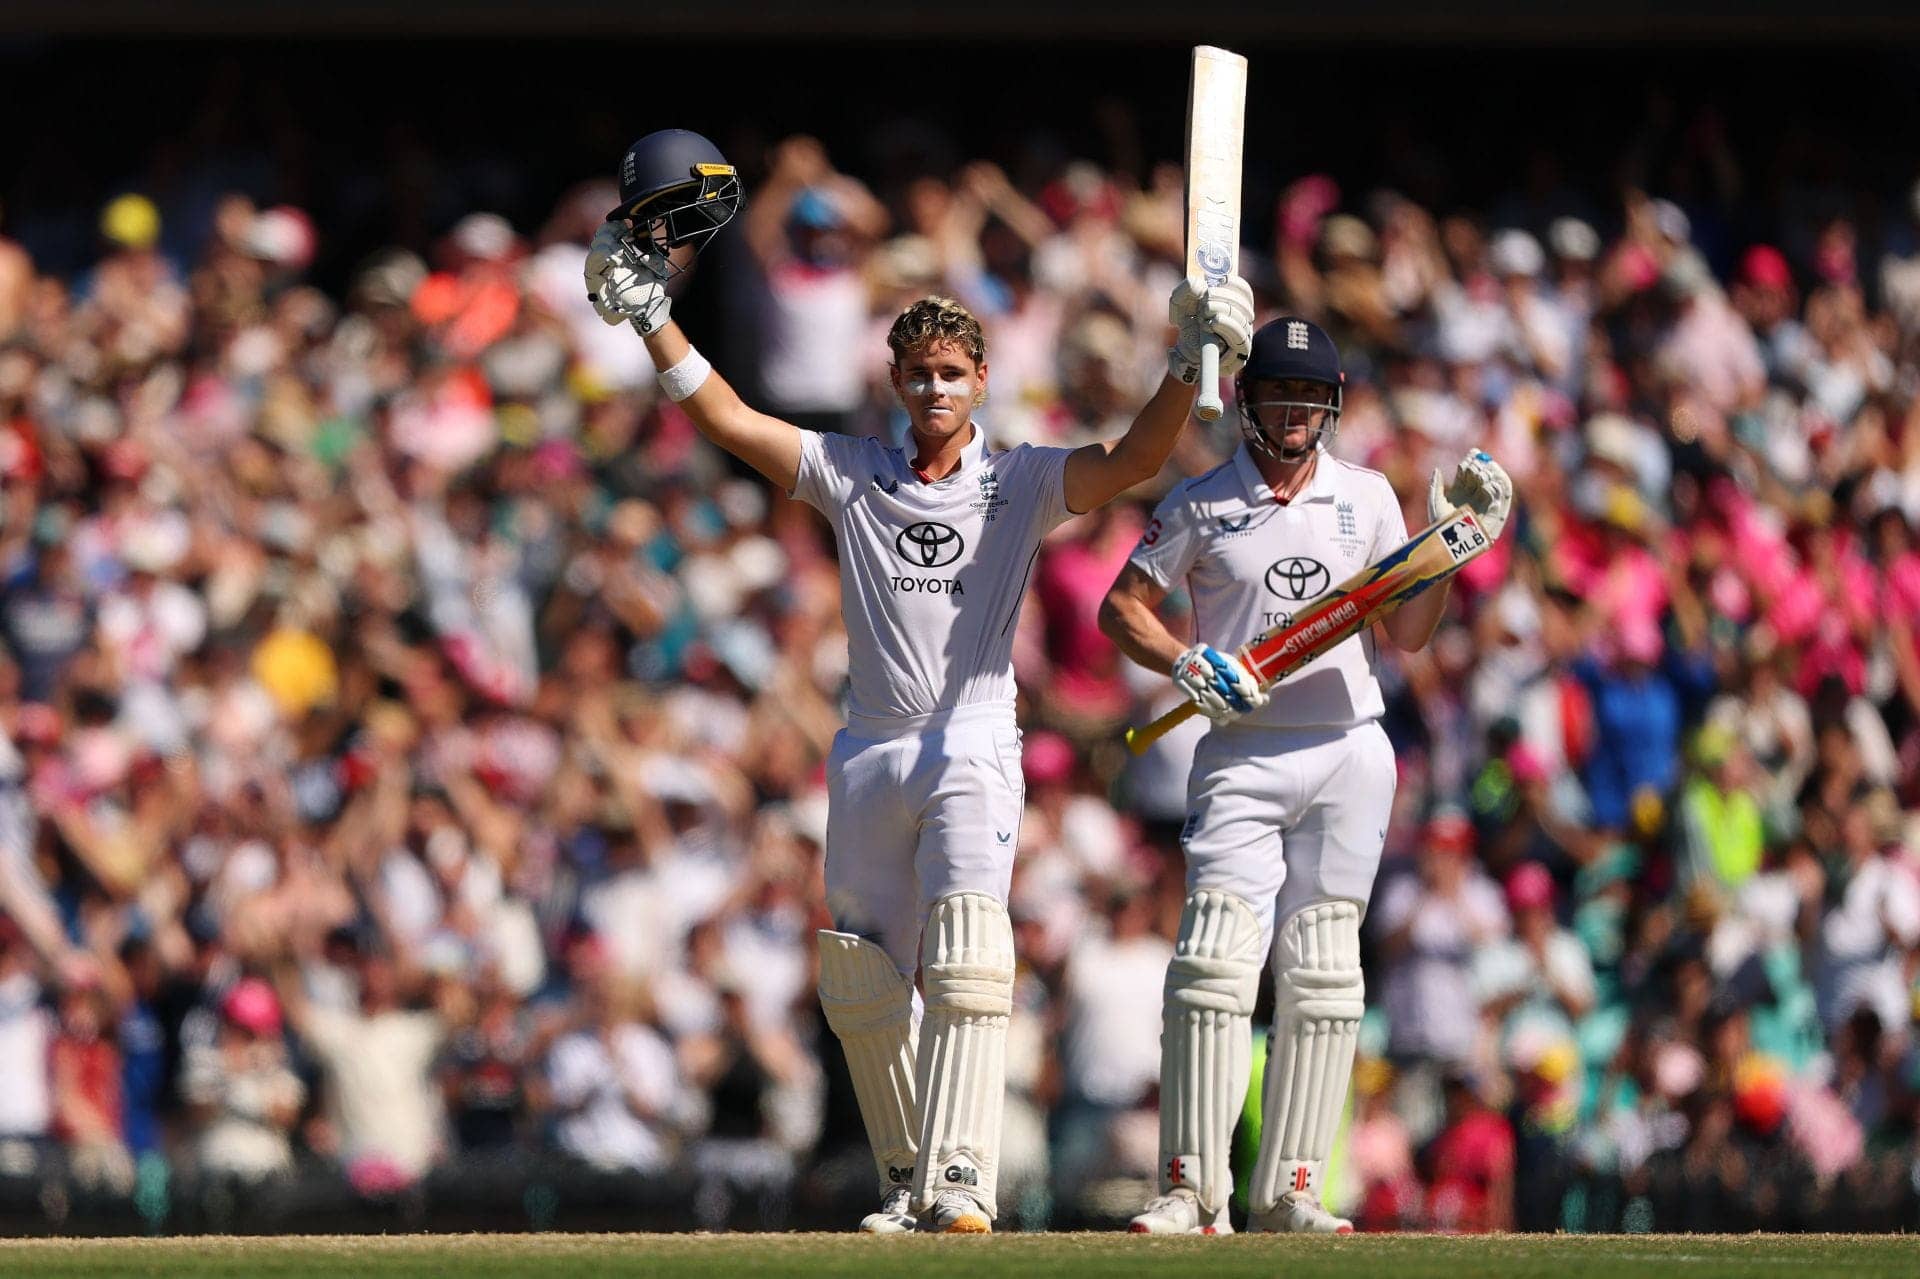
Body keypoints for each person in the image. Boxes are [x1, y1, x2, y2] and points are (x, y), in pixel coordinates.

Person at [584, 128, 1253, 1234]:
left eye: (953, 373)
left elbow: (1135, 460)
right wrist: (654, 320)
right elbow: (728, 418)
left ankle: (962, 1182)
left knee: (968, 950)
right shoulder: (852, 474)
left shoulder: (1023, 482)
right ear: (894, 382)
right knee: (857, 975)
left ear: (981, 380)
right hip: (872, 741)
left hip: (976, 734)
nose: (936, 388)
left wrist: (1187, 366)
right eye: (919, 374)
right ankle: (909, 1183)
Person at [1097, 316, 1513, 1234]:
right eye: (1279, 395)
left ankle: (1290, 1192)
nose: (1294, 413)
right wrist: (1182, 661)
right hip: (1242, 750)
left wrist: (1450, 549)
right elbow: (1120, 607)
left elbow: (1403, 634)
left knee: (1324, 973)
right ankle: (1187, 1190)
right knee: (1213, 963)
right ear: (1246, 400)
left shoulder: (1367, 499)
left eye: (1310, 398)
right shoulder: (1203, 502)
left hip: (1347, 749)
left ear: (1331, 406)